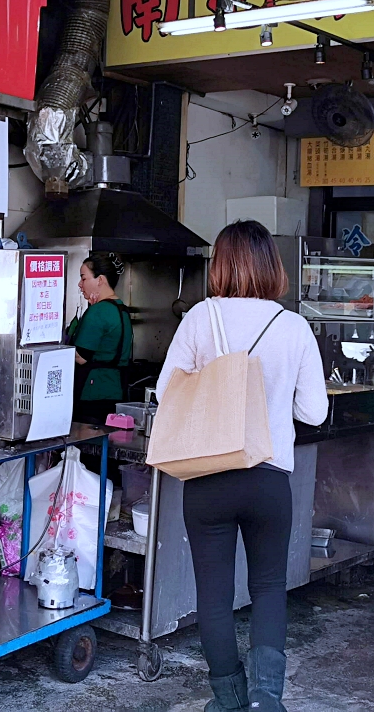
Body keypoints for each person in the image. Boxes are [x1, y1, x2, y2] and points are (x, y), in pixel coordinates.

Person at [156, 221, 327, 712]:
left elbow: (168, 395)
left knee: (214, 594)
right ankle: (267, 702)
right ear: (272, 265)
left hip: (208, 476)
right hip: (270, 476)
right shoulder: (294, 327)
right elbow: (313, 412)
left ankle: (227, 700)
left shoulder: (198, 318)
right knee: (269, 587)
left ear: (221, 265)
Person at [67, 253, 132, 426]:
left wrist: (55, 348)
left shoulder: (98, 311)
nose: (80, 285)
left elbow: (81, 356)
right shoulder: (121, 308)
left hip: (92, 392)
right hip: (116, 391)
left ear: (100, 280)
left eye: (84, 278)